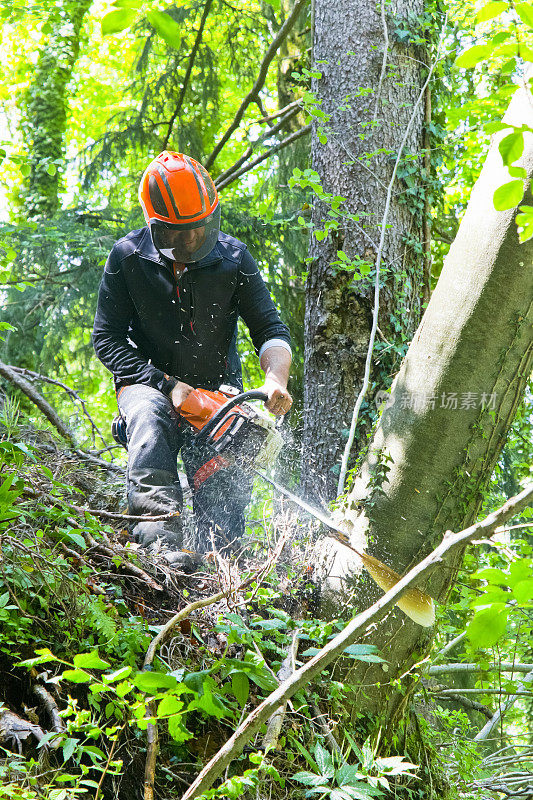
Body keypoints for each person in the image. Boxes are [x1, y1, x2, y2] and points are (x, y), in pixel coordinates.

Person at [92, 151, 292, 566]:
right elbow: (106, 339)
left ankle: (222, 569)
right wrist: (165, 383)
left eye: (198, 230)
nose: (190, 241)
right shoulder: (128, 258)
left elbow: (271, 329)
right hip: (148, 384)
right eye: (177, 234)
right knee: (148, 423)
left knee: (224, 503)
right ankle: (159, 548)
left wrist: (276, 379)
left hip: (218, 393)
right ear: (155, 225)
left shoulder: (234, 259)